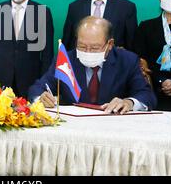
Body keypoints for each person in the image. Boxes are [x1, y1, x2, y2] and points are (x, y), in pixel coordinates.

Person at [28, 16, 156, 114]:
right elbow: (37, 88)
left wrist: (129, 103)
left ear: (109, 44)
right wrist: (40, 97)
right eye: (82, 46)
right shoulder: (66, 60)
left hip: (114, 126)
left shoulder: (127, 60)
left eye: (94, 48)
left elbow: (147, 95)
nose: (87, 52)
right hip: (74, 127)